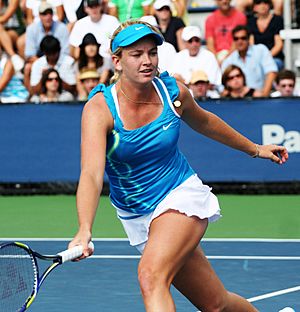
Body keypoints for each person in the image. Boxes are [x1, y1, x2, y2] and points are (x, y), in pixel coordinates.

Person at [68, 20, 288, 312]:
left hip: (179, 195)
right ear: (117, 61)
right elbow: (92, 174)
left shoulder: (172, 93)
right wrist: (85, 228)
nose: (147, 61)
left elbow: (206, 122)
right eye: (136, 54)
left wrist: (255, 149)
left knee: (151, 277)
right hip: (137, 215)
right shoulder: (100, 109)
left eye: (152, 52)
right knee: (216, 304)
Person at [221, 24, 277, 97]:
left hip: (259, 98)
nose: (239, 41)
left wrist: (264, 96)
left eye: (243, 38)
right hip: (237, 101)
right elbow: (223, 86)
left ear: (249, 39)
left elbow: (271, 72)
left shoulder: (260, 50)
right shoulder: (229, 61)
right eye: (236, 39)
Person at [247, 0, 284, 70]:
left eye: (265, 3)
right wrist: (258, 59)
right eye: (258, 3)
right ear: (254, 7)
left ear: (269, 5)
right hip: (256, 58)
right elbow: (251, 44)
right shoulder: (251, 22)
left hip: (274, 58)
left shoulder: (277, 20)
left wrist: (266, 57)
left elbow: (279, 45)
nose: (262, 6)